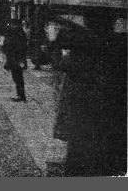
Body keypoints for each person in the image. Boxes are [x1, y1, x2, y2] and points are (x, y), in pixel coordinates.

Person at [53, 12, 127, 176]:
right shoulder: (121, 44)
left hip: (82, 114)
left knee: (80, 159)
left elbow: (61, 62)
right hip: (113, 114)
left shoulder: (78, 44)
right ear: (112, 21)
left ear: (87, 21)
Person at [2, 19, 28, 102]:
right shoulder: (19, 33)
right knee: (18, 77)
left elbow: (8, 46)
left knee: (17, 77)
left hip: (16, 59)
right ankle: (20, 94)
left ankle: (21, 95)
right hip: (17, 59)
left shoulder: (14, 34)